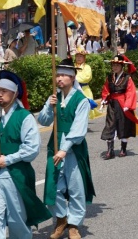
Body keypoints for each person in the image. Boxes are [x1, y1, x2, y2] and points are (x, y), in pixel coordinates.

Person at [0, 70, 51, 239]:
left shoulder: (24, 117)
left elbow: (32, 149)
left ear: (15, 93)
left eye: (4, 91)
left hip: (17, 175)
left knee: (17, 220)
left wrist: (9, 159)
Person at [38, 58, 95, 239]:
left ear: (72, 77)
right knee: (53, 186)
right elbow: (44, 121)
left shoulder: (81, 101)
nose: (59, 78)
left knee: (75, 187)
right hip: (54, 146)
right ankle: (61, 218)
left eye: (64, 75)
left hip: (73, 149)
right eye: (58, 75)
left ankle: (73, 224)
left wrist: (65, 149)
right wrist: (49, 105)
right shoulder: (54, 97)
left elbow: (79, 129)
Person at [100, 54, 138, 160]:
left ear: (122, 66)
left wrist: (128, 105)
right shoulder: (110, 77)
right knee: (110, 125)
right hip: (112, 104)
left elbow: (130, 92)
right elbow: (106, 89)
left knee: (123, 126)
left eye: (117, 65)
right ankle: (110, 151)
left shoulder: (127, 78)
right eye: (113, 65)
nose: (115, 67)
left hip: (123, 104)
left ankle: (123, 149)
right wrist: (104, 98)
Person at [74, 49, 103, 121]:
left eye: (81, 56)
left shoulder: (87, 67)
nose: (79, 58)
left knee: (86, 107)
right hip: (73, 89)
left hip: (84, 89)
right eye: (77, 56)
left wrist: (75, 78)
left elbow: (87, 77)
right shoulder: (72, 66)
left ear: (84, 58)